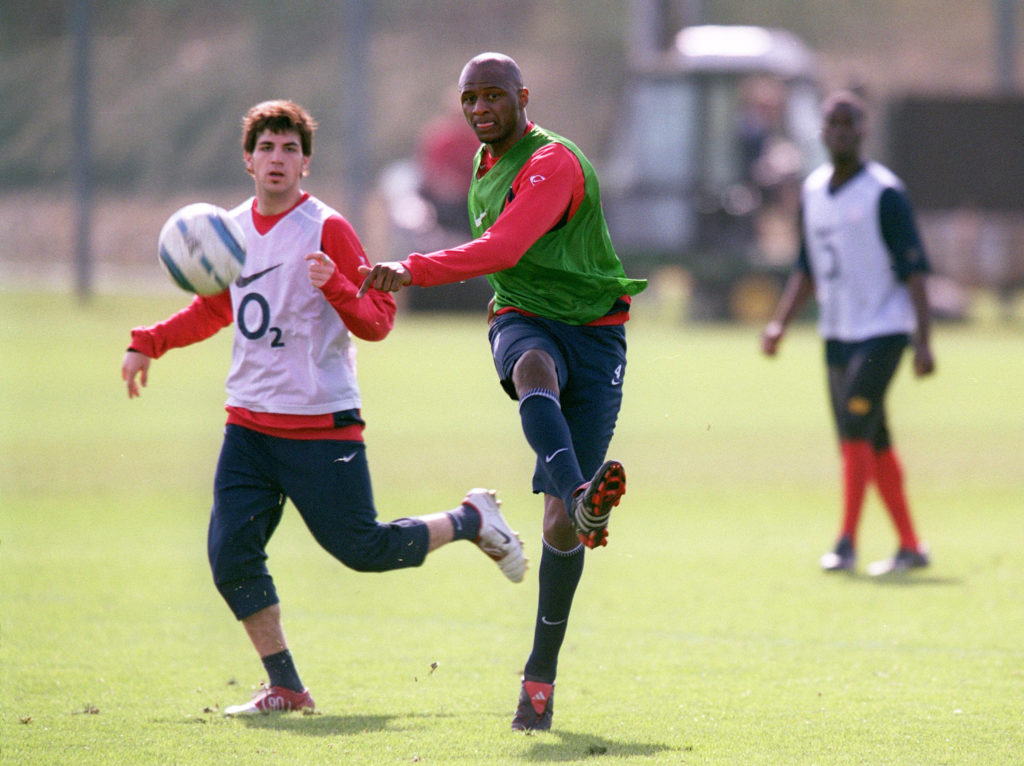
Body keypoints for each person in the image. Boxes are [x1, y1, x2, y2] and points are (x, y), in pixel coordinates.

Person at [120, 100, 526, 717]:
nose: (277, 159)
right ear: (248, 159)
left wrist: (334, 284)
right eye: (266, 148)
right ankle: (286, 686)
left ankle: (471, 520)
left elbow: (380, 321)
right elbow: (216, 308)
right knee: (230, 558)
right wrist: (151, 340)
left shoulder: (327, 228)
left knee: (362, 549)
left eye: (289, 149)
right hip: (248, 426)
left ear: (305, 163)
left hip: (321, 426)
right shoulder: (226, 231)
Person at [357, 53, 647, 731]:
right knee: (531, 371)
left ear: (523, 97)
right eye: (470, 99)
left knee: (554, 529)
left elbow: (507, 246)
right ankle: (582, 498)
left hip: (597, 335)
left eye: (493, 96)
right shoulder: (484, 171)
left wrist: (413, 267)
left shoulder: (553, 163)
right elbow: (507, 269)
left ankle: (539, 678)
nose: (480, 109)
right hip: (521, 317)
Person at [761, 90, 936, 577]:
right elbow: (806, 267)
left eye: (849, 123)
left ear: (863, 131)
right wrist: (779, 324)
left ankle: (846, 543)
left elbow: (916, 272)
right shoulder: (814, 191)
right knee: (870, 439)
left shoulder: (884, 193)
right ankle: (910, 546)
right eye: (832, 123)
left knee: (857, 429)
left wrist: (923, 341)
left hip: (884, 330)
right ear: (821, 131)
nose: (839, 131)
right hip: (837, 332)